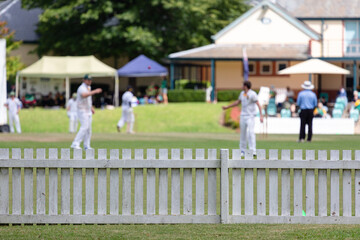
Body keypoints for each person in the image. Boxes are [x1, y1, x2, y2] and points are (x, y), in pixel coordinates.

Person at [222, 81, 263, 157]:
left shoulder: (253, 94)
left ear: (246, 86)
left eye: (243, 85)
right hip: (243, 116)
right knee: (243, 134)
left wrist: (261, 115)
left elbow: (258, 104)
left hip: (251, 116)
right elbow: (237, 102)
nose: (242, 86)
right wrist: (227, 107)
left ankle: (253, 150)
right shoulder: (242, 94)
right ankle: (242, 151)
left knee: (251, 133)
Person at [70, 75, 102, 150]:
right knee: (84, 127)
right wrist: (95, 91)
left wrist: (91, 107)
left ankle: (86, 145)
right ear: (84, 80)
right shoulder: (81, 88)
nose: (89, 81)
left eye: (90, 80)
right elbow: (84, 95)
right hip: (81, 110)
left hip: (87, 110)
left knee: (88, 129)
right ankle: (75, 143)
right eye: (88, 80)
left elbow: (88, 100)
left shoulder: (88, 87)